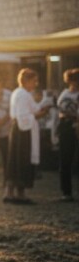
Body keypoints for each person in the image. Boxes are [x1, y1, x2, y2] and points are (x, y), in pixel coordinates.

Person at [5, 68, 50, 204]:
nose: (35, 84)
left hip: (20, 129)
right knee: (21, 160)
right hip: (22, 131)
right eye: (34, 81)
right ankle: (18, 193)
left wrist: (42, 105)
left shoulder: (21, 93)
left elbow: (33, 108)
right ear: (26, 81)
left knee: (15, 160)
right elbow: (23, 115)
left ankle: (11, 192)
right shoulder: (22, 94)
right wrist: (39, 114)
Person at [56, 68, 79, 201]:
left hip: (75, 125)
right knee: (65, 160)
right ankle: (66, 191)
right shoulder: (64, 93)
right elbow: (60, 110)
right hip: (65, 126)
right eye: (72, 81)